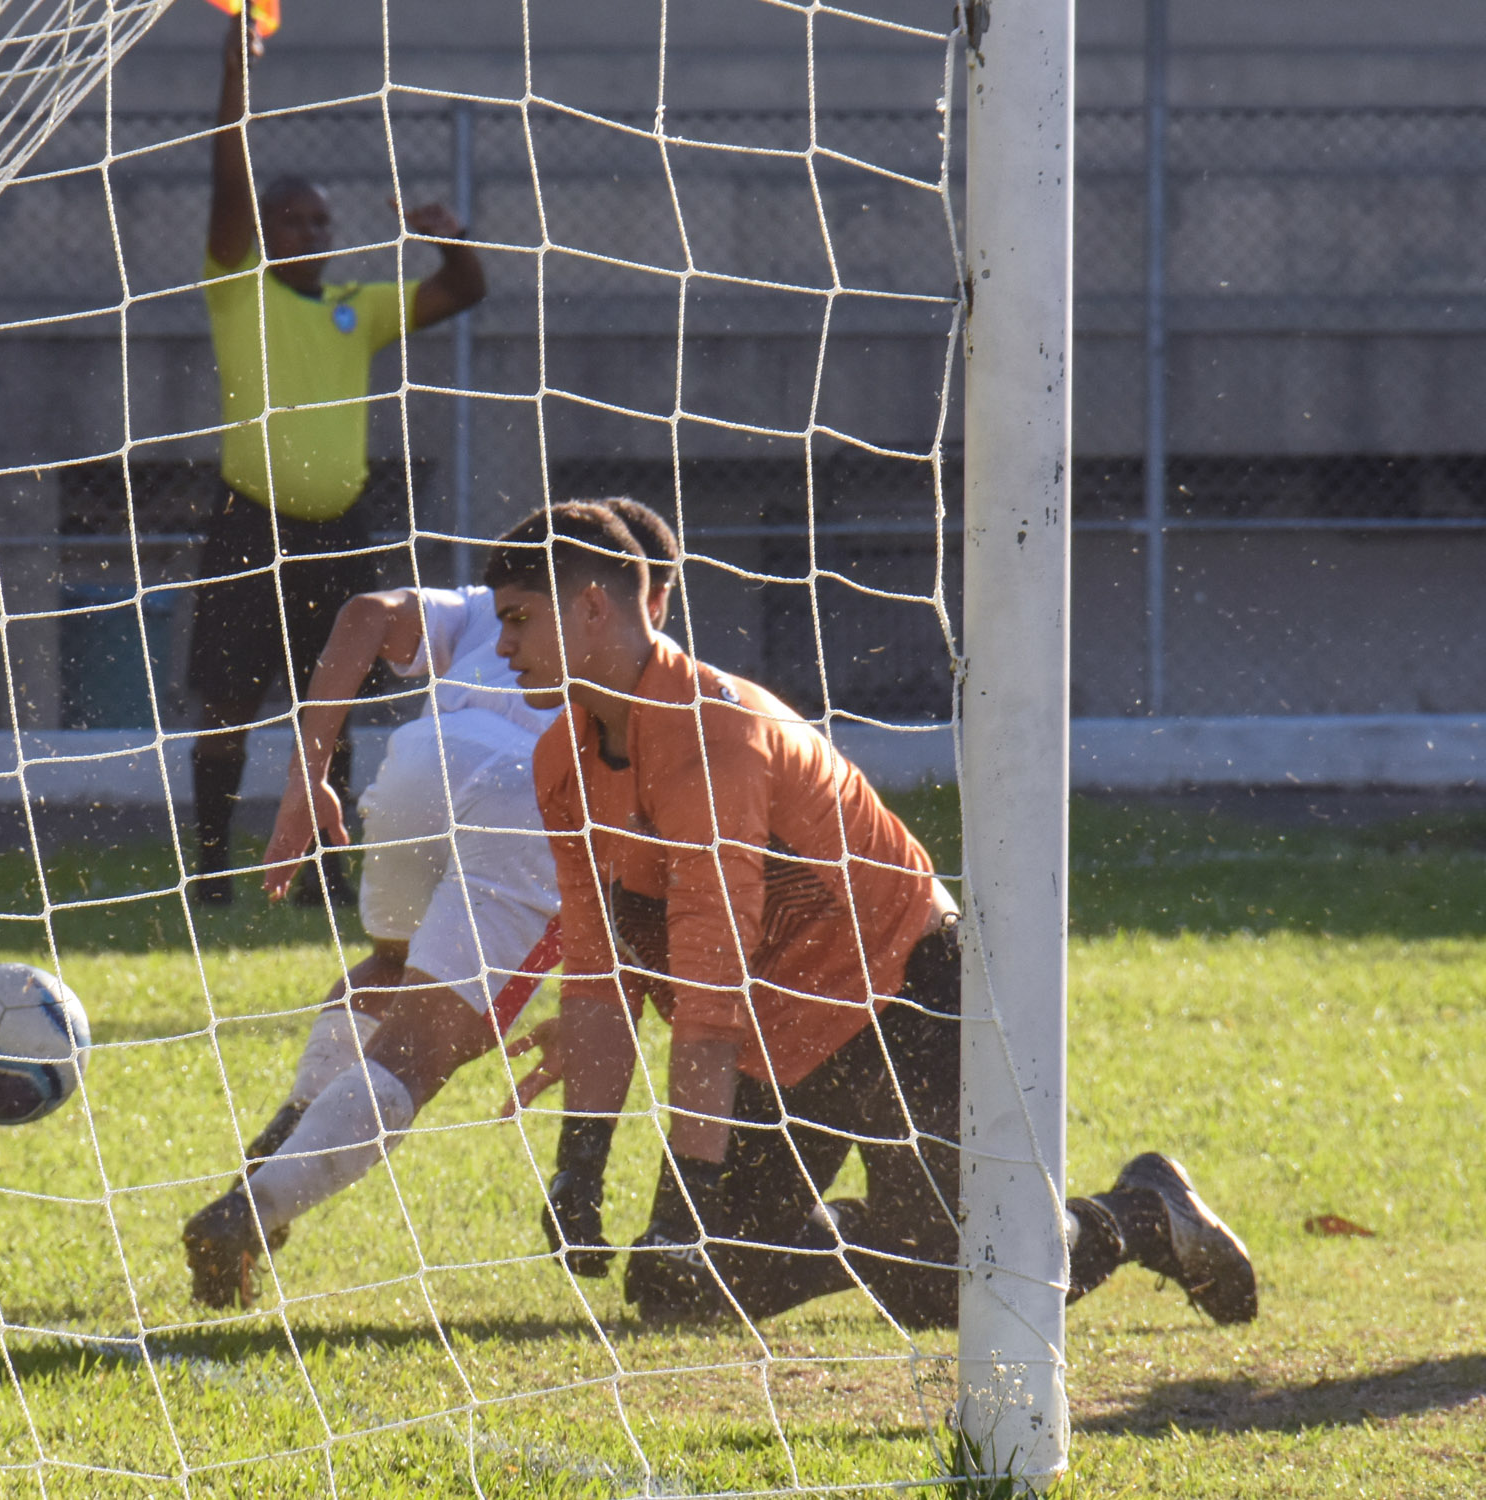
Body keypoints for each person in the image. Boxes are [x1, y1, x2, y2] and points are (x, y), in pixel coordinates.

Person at [486, 502, 1258, 1329]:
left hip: (906, 998)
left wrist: (688, 1203)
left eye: (519, 621)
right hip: (780, 1045)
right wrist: (580, 1167)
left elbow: (709, 999)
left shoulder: (717, 738)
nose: (502, 648)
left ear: (594, 608)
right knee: (685, 1291)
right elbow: (602, 973)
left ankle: (1139, 1214)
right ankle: (891, 1239)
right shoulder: (559, 762)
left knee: (971, 1288)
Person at [181, 502, 679, 1308]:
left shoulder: (500, 604)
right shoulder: (650, 660)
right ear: (645, 595)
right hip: (528, 797)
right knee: (427, 1046)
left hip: (419, 762)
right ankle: (253, 1210)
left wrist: (309, 772)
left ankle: (271, 1156)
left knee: (390, 967)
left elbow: (365, 615)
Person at [189, 11, 487, 906]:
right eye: (297, 219)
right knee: (225, 706)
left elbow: (465, 288)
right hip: (250, 521)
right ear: (268, 230)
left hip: (341, 527)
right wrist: (235, 66)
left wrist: (450, 235)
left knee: (336, 700)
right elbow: (228, 170)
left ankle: (322, 870)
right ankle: (211, 871)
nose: (316, 233)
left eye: (324, 220)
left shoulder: (357, 304)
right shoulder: (237, 288)